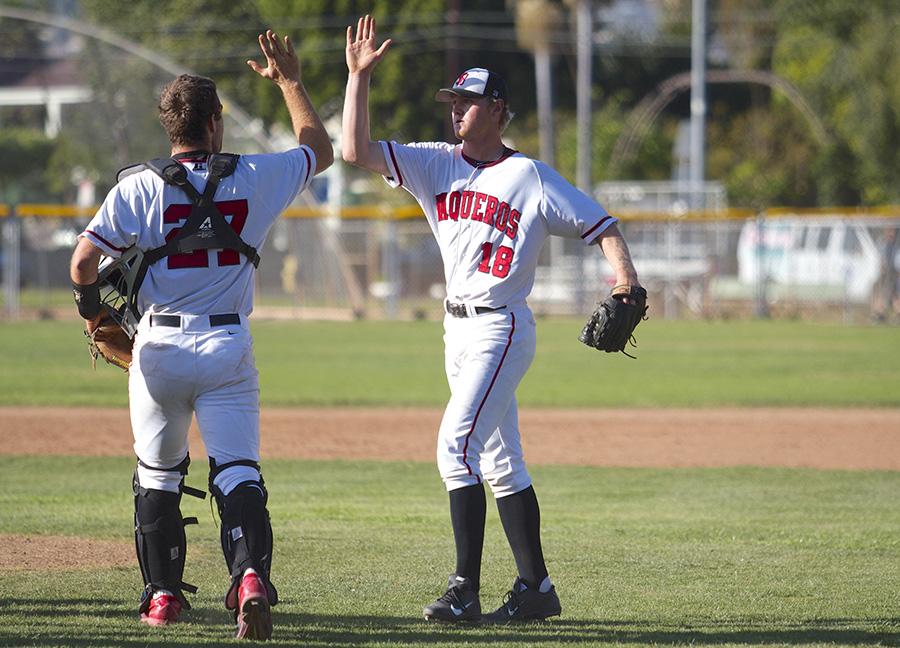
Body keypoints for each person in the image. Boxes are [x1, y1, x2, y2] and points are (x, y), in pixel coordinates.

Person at [342, 15, 642, 623]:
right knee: (502, 461)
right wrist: (358, 80)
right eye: (454, 102)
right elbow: (354, 150)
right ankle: (536, 588)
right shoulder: (435, 163)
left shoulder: (527, 176)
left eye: (469, 103)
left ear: (498, 109)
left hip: (500, 327)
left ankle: (464, 588)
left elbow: (601, 224)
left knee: (456, 447)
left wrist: (626, 280)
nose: (457, 112)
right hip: (455, 329)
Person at [69, 30, 333, 640]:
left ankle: (162, 597)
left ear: (169, 128)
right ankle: (247, 581)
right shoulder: (256, 176)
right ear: (217, 122)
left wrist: (91, 314)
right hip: (227, 346)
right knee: (238, 470)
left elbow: (83, 265)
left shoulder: (137, 187)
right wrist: (290, 81)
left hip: (156, 348)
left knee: (157, 475)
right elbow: (317, 149)